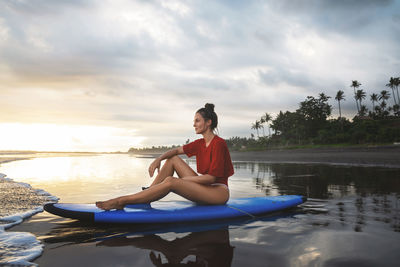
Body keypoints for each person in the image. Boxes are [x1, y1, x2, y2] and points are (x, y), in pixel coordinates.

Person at [96, 103, 234, 210]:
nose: (194, 124)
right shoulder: (200, 143)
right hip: (206, 187)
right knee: (172, 160)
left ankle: (121, 201)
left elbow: (211, 178)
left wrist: (184, 181)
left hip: (218, 192)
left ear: (208, 122)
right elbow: (174, 152)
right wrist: (158, 159)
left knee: (171, 181)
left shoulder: (218, 144)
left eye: (197, 121)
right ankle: (148, 195)